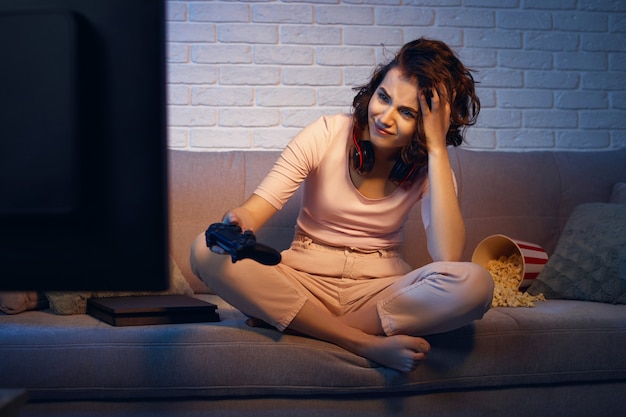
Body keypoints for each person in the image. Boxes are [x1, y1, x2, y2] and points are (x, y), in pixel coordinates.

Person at [190, 38, 494, 373]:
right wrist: (240, 220)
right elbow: (256, 208)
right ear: (373, 89)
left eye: (406, 113)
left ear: (425, 125)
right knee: (204, 249)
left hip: (378, 292)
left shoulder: (429, 167)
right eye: (383, 97)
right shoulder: (326, 133)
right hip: (302, 281)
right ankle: (361, 342)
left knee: (476, 284)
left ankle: (306, 327)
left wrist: (437, 148)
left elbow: (448, 255)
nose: (385, 118)